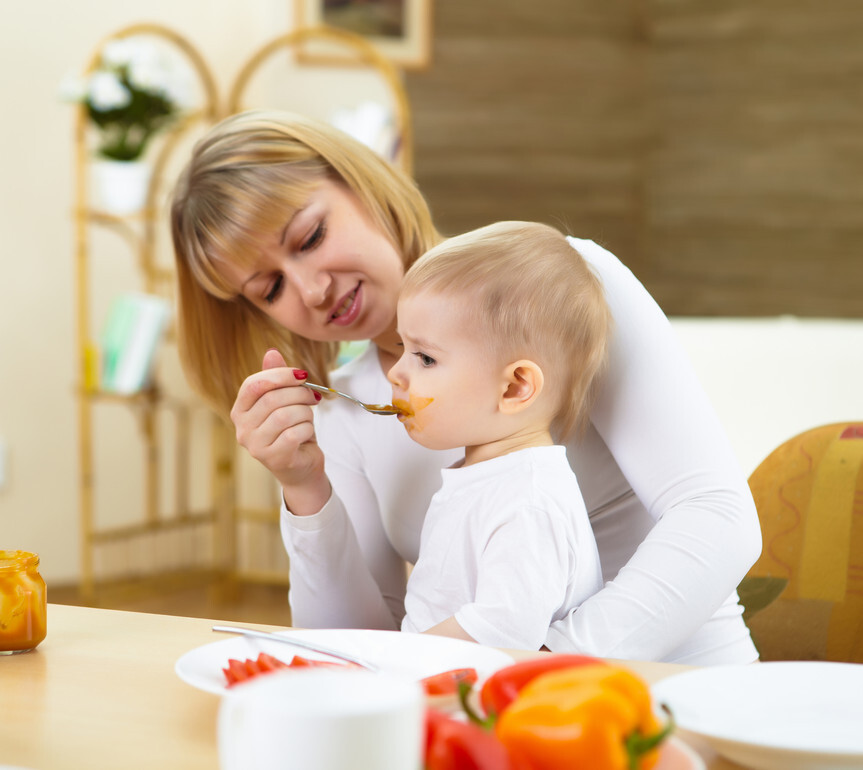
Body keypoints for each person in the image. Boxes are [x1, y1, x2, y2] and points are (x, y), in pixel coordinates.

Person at [169, 109, 761, 664]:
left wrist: (541, 669)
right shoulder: (346, 415)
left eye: (310, 237)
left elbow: (718, 517)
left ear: (363, 183)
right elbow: (360, 650)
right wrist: (303, 489)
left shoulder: (563, 290)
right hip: (494, 723)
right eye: (269, 288)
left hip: (680, 693)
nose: (311, 289)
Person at [391, 221, 608, 650]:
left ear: (514, 388)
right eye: (402, 350)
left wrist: (395, 660)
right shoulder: (487, 476)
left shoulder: (528, 501)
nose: (397, 373)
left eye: (425, 358)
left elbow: (504, 630)